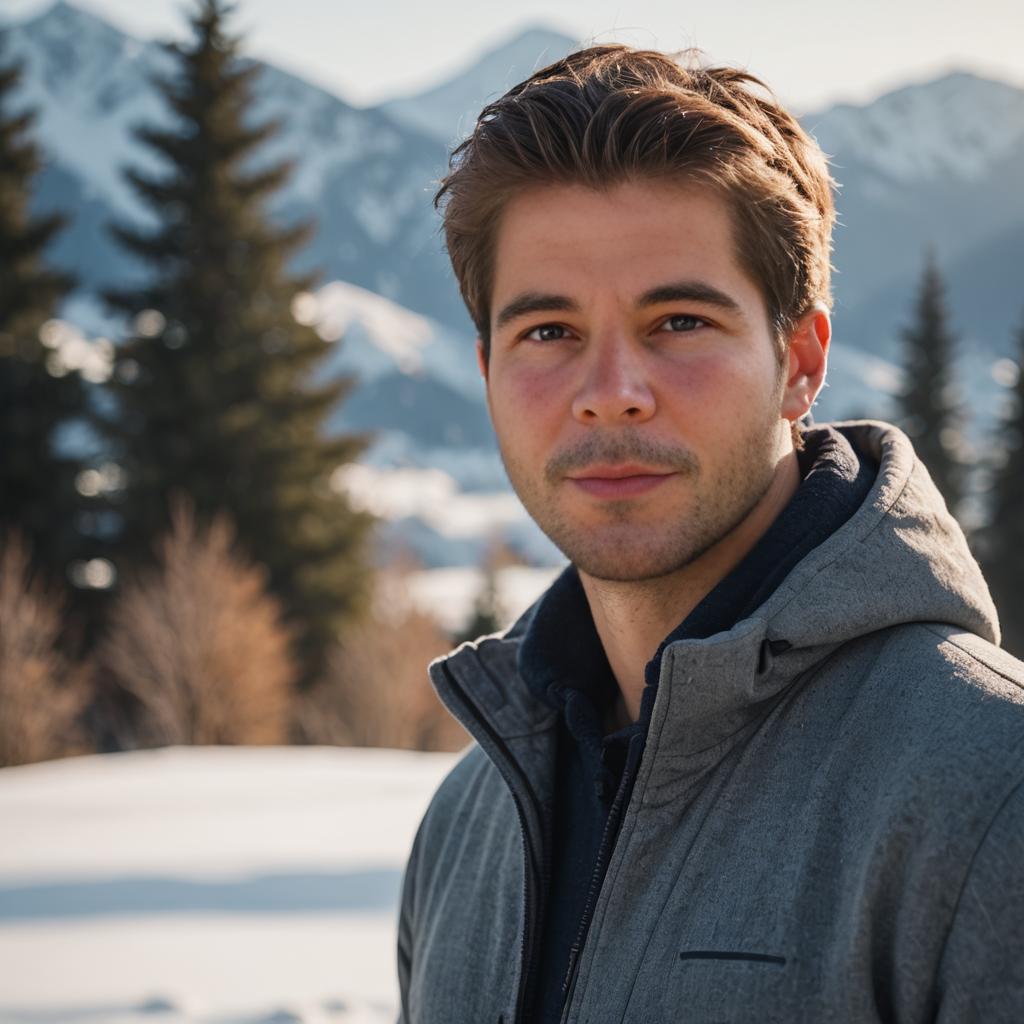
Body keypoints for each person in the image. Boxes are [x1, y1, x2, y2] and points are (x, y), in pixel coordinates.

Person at [396, 45, 1024, 1024]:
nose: (610, 395)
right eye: (549, 332)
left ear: (798, 361)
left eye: (678, 321)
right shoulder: (467, 827)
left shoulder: (989, 786)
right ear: (486, 368)